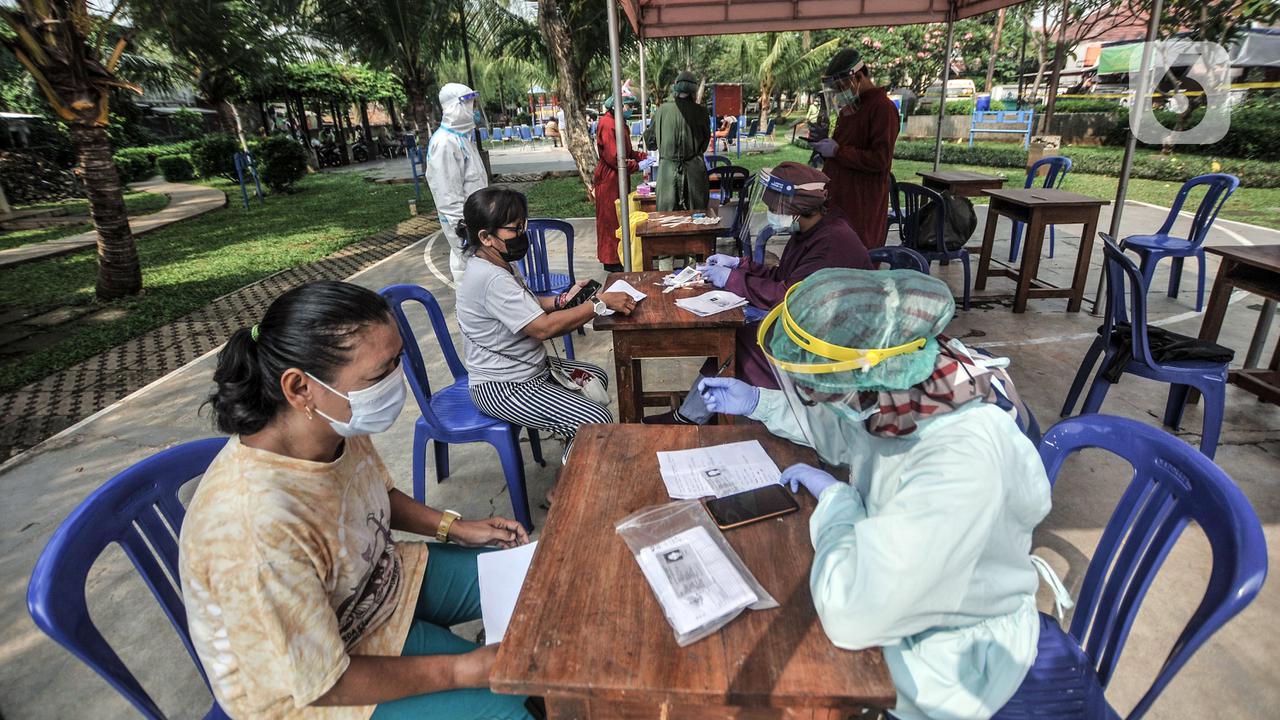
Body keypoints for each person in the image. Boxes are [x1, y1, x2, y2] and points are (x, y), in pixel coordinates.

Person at [694, 268, 1064, 720]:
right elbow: (846, 430)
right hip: (902, 587)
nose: (814, 398)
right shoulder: (905, 388)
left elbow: (852, 614)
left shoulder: (960, 464)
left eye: (817, 388)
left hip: (951, 659)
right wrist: (758, 402)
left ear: (866, 374)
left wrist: (837, 503)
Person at [181, 280, 537, 720]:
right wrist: (462, 670)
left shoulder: (333, 422)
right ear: (300, 388)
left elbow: (372, 491)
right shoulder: (254, 529)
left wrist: (454, 527)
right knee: (517, 704)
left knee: (543, 584)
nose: (396, 381)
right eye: (379, 374)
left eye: (397, 360)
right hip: (313, 690)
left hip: (376, 587)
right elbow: (322, 682)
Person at [644, 162, 872, 426]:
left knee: (739, 340)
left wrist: (732, 279)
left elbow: (788, 297)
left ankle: (695, 415)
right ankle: (697, 410)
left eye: (775, 209)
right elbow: (784, 276)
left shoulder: (831, 242)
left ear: (797, 209)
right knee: (739, 335)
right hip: (817, 327)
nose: (772, 214)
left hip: (836, 349)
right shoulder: (810, 231)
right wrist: (739, 265)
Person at [456, 187, 635, 454]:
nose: (522, 234)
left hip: (528, 369)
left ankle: (575, 442)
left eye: (523, 225)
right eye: (515, 228)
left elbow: (526, 304)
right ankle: (570, 476)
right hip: (504, 386)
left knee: (595, 377)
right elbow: (543, 328)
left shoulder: (498, 263)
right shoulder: (490, 278)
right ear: (486, 237)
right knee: (596, 419)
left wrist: (563, 300)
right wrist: (599, 304)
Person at [811, 48, 900, 250]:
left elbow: (880, 160)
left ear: (858, 77)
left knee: (858, 254)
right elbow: (842, 147)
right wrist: (824, 147)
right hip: (838, 197)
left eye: (841, 87)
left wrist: (838, 152)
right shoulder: (850, 109)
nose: (839, 93)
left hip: (862, 202)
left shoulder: (882, 108)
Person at [424, 83, 488, 284]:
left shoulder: (462, 139)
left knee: (480, 276)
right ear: (456, 107)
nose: (474, 110)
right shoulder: (444, 143)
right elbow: (448, 197)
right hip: (465, 227)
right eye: (471, 105)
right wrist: (465, 231)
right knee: (470, 276)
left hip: (477, 222)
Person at [592, 93, 647, 272]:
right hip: (609, 178)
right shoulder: (608, 123)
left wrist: (644, 157)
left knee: (620, 217)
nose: (631, 109)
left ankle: (620, 257)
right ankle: (612, 260)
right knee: (610, 220)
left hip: (619, 176)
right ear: (618, 106)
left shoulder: (619, 122)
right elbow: (614, 157)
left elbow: (627, 152)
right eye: (628, 106)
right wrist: (636, 165)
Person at [646, 71, 711, 212]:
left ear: (676, 88)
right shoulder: (701, 112)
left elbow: (650, 143)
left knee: (667, 218)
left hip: (667, 175)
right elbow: (704, 144)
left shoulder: (661, 111)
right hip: (694, 175)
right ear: (694, 90)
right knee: (696, 217)